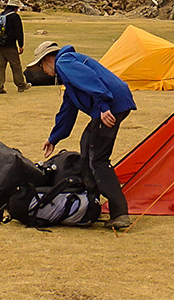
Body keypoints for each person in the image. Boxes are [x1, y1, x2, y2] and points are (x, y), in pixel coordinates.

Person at [31, 39, 137, 231]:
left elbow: (90, 80)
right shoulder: (68, 72)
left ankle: (120, 213)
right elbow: (67, 110)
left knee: (98, 159)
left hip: (111, 106)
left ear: (46, 60)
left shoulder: (64, 62)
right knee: (87, 144)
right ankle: (89, 201)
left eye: (41, 68)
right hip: (112, 104)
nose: (44, 73)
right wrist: (53, 138)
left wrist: (104, 106)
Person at [0, 0, 29, 94]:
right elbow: (19, 32)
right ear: (15, 8)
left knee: (0, 66)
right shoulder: (14, 17)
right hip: (10, 46)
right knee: (16, 66)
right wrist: (21, 45)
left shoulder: (1, 15)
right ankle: (21, 85)